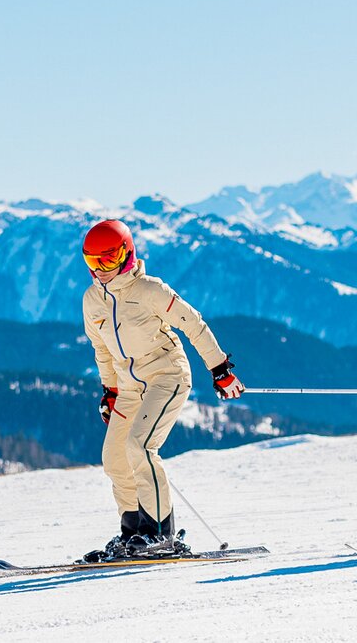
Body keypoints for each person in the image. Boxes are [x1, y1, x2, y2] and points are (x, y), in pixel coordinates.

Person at [79, 219, 244, 562]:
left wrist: (220, 369)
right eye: (92, 263)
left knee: (140, 446)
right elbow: (103, 351)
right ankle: (134, 532)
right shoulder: (92, 300)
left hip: (167, 377)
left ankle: (160, 534)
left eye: (107, 261)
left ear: (126, 255)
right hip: (127, 388)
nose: (100, 271)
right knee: (114, 459)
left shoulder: (150, 290)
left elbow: (193, 323)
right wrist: (110, 391)